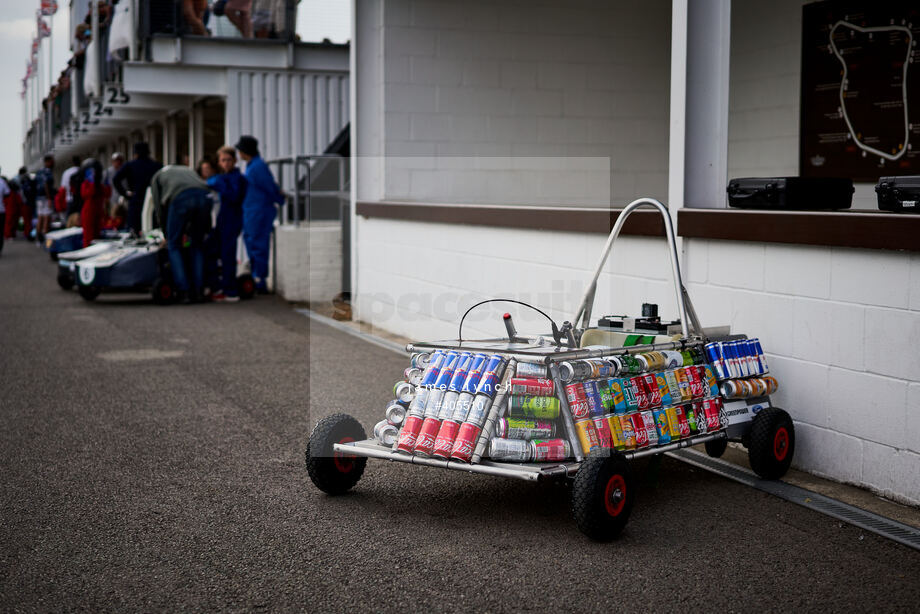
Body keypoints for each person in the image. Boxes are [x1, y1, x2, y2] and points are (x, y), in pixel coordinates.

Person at [149, 165, 215, 303]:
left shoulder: (156, 178)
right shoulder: (187, 170)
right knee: (197, 244)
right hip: (205, 196)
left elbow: (159, 207)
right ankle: (198, 291)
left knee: (174, 245)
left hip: (180, 197)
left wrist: (166, 234)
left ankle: (183, 290)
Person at [235, 135, 281, 294]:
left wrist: (279, 199)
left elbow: (269, 186)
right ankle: (257, 276)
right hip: (252, 210)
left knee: (258, 244)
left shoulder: (257, 167)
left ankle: (260, 279)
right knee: (252, 242)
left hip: (259, 211)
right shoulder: (253, 165)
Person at [207, 146, 248, 302]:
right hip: (221, 220)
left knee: (228, 256)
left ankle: (230, 290)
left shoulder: (238, 179)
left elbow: (235, 196)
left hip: (232, 220)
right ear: (219, 162)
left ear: (235, 160)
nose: (226, 163)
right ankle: (218, 286)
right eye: (223, 160)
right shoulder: (221, 178)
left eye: (228, 160)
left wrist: (219, 183)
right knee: (211, 251)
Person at [113, 142, 161, 234]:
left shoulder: (130, 165)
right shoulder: (156, 165)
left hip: (135, 201)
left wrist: (125, 194)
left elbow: (116, 180)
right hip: (152, 201)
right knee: (151, 230)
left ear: (135, 153)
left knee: (135, 230)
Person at [80, 159, 110, 248]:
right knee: (88, 236)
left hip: (99, 211)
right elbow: (87, 194)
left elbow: (107, 194)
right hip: (89, 212)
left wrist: (107, 184)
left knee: (98, 234)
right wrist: (92, 182)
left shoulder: (100, 185)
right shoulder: (85, 184)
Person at [34, 155, 55, 242]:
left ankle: (38, 237)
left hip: (38, 197)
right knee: (47, 217)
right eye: (52, 161)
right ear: (48, 161)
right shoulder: (48, 171)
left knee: (40, 217)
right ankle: (46, 238)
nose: (53, 163)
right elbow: (46, 184)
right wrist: (49, 198)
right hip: (46, 197)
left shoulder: (39, 171)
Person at [14, 167, 35, 240]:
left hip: (23, 203)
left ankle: (28, 233)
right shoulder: (24, 180)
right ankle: (28, 234)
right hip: (26, 203)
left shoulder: (18, 179)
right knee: (28, 220)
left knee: (27, 220)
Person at [61, 156, 82, 227]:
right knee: (79, 219)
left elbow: (63, 188)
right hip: (80, 199)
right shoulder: (82, 171)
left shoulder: (66, 172)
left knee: (70, 220)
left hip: (69, 198)